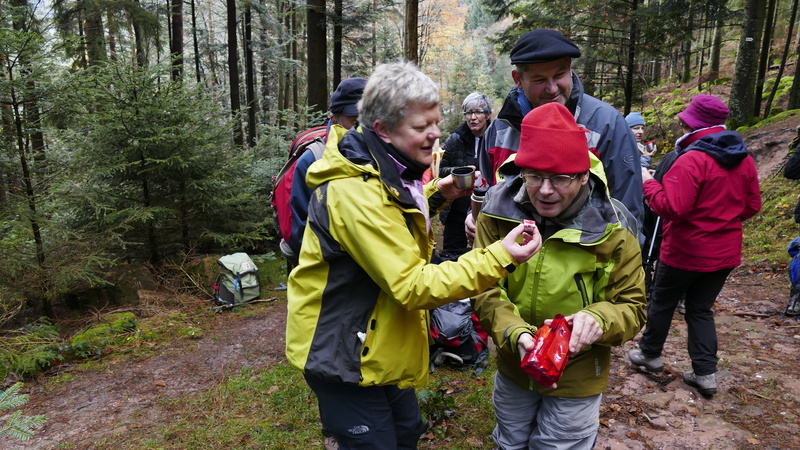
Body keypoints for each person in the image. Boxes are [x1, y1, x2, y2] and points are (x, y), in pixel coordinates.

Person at [285, 62, 542, 449]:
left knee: (406, 431)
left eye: (436, 123)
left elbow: (397, 212)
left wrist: (439, 192)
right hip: (342, 352)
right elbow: (412, 284)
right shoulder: (353, 192)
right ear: (383, 129)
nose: (435, 134)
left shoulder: (384, 168)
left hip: (377, 343)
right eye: (421, 127)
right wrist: (499, 256)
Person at [471, 102, 647, 448]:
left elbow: (633, 306)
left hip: (578, 375)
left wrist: (598, 318)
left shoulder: (614, 226)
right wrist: (516, 334)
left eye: (560, 178)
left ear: (584, 176)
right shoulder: (496, 212)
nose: (545, 190)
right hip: (513, 366)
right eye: (534, 176)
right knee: (510, 439)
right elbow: (483, 288)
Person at [628, 94, 762, 396]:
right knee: (700, 309)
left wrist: (648, 181)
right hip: (724, 253)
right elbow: (752, 205)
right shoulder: (744, 159)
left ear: (692, 124)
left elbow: (671, 207)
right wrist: (721, 218)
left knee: (662, 301)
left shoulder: (691, 160)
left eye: (684, 122)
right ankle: (705, 373)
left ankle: (650, 354)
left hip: (684, 251)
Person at [469, 28, 644, 244]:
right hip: (511, 264)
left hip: (584, 265)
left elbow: (627, 209)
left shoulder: (606, 125)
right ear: (518, 79)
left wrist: (625, 264)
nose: (552, 89)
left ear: (570, 68)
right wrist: (475, 217)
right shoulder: (499, 130)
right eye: (540, 79)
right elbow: (488, 193)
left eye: (559, 75)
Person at [283, 77, 368, 265]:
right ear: (334, 117)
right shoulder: (312, 160)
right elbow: (301, 231)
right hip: (328, 272)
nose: (362, 128)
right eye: (354, 120)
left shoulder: (378, 153)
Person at [438, 92, 493, 258]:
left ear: (488, 114)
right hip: (456, 210)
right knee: (451, 256)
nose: (473, 117)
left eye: (478, 112)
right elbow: (440, 170)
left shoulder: (496, 138)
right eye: (469, 113)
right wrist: (459, 172)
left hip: (487, 211)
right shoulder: (456, 139)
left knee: (482, 257)